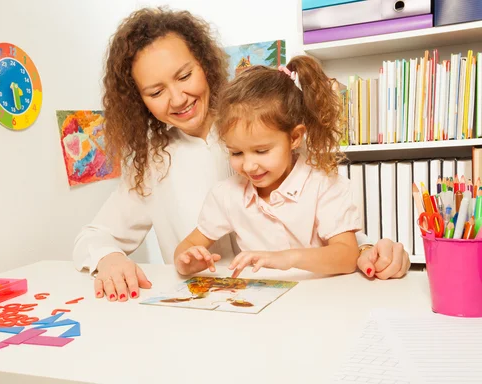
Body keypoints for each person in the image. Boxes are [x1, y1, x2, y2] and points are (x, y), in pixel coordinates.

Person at [72, 7, 411, 302]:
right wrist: (109, 258)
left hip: (305, 303)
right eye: (156, 91)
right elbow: (93, 236)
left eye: (185, 75)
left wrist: (372, 251)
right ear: (139, 100)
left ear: (204, 64)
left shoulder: (264, 126)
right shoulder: (152, 163)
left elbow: (329, 229)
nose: (176, 99)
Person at [175, 60, 361, 278]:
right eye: (236, 153)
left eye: (261, 151)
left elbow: (348, 256)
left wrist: (288, 258)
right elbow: (187, 246)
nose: (249, 166)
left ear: (294, 138)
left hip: (317, 301)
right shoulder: (227, 194)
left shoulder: (324, 184)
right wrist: (187, 260)